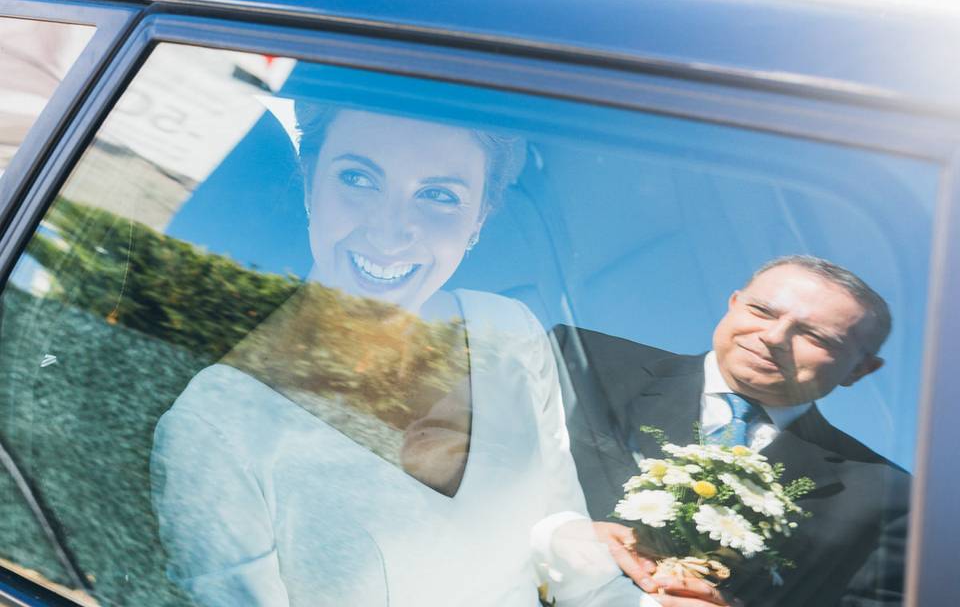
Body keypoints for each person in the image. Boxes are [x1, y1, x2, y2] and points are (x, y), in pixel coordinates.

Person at [150, 99, 655, 606]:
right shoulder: (218, 422)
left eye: (438, 195)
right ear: (310, 185)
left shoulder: (510, 332)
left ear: (480, 217)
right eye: (359, 180)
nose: (390, 229)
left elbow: (561, 542)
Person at [555, 256, 910, 607]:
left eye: (816, 336)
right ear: (734, 303)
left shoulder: (888, 498)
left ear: (860, 370)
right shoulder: (578, 362)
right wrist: (557, 534)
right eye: (762, 311)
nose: (774, 337)